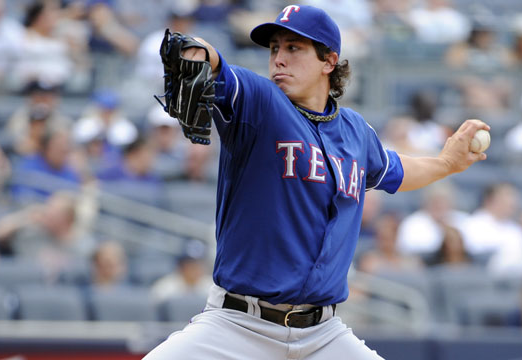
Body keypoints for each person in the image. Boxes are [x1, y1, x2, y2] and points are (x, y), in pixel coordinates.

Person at [143, 5, 489, 359]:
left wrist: (447, 163)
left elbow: (394, 171)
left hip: (323, 336)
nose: (278, 58)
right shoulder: (261, 103)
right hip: (237, 327)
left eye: (294, 48)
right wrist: (199, 51)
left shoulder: (355, 131)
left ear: (329, 61)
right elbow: (219, 67)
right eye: (275, 48)